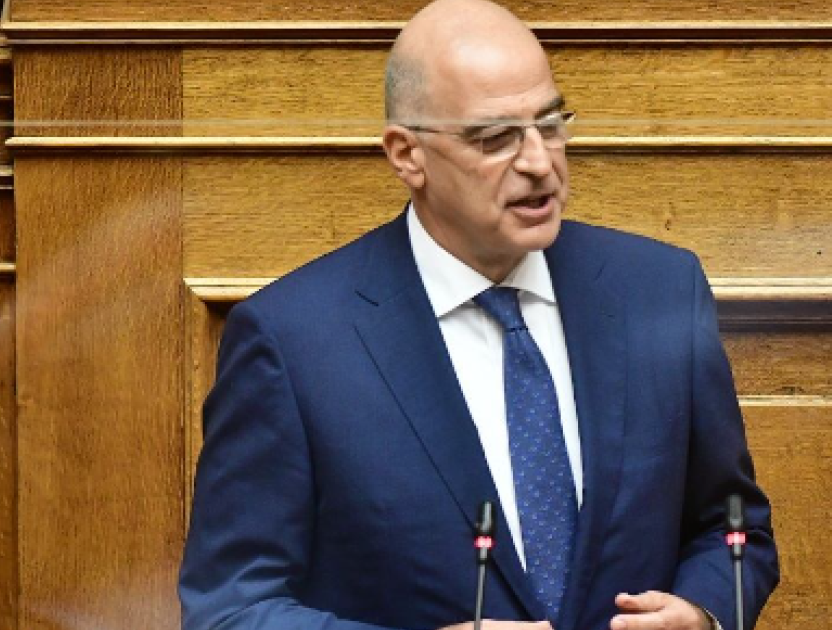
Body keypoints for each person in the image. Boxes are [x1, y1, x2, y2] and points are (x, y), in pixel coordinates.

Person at [178, 1, 778, 629]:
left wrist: (704, 614)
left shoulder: (657, 290)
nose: (540, 163)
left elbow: (733, 529)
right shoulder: (294, 342)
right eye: (496, 139)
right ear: (407, 155)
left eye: (551, 125)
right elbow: (230, 610)